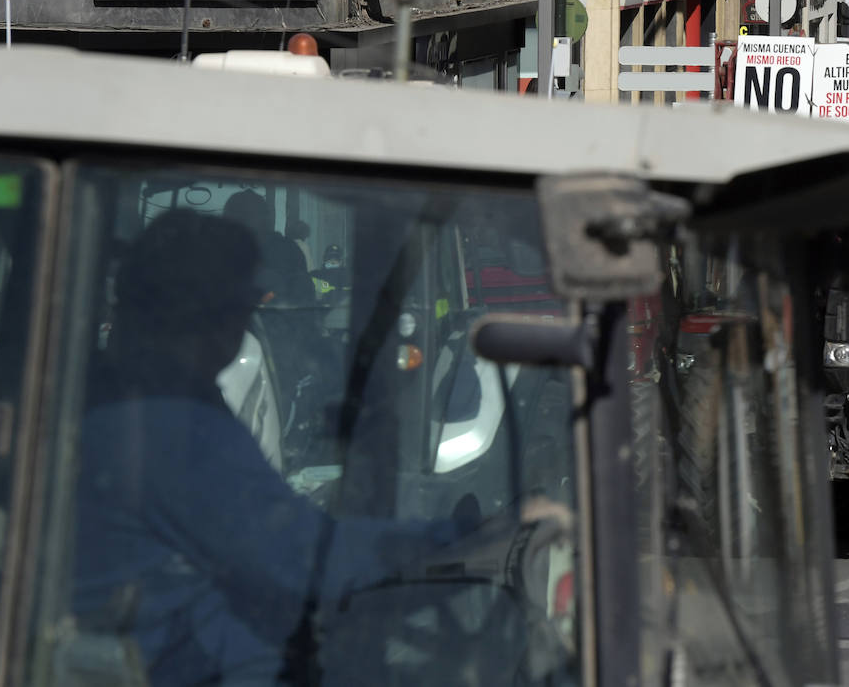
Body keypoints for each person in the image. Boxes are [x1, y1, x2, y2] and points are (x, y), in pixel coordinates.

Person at [72, 211, 549, 685]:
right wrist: (471, 536)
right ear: (208, 316)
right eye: (241, 309)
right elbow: (308, 563)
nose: (240, 327)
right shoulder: (171, 426)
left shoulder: (109, 395)